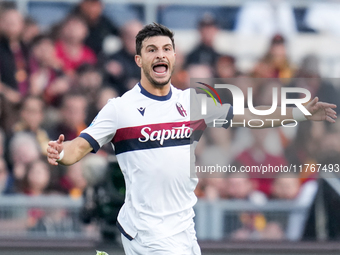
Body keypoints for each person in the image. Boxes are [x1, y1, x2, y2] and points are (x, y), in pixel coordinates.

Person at [47, 23, 337, 254]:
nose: (160, 54)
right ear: (138, 59)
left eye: (166, 49)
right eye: (151, 49)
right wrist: (61, 153)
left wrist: (299, 112)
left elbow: (250, 116)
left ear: (174, 57)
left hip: (184, 231)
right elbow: (78, 148)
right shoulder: (119, 109)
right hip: (147, 232)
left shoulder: (194, 102)